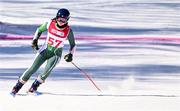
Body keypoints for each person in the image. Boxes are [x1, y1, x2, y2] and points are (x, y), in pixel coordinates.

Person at [10, 8, 76, 96]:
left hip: (56, 54)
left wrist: (71, 54)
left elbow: (73, 45)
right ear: (56, 18)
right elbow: (39, 30)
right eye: (60, 19)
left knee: (46, 71)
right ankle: (17, 87)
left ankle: (34, 87)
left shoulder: (68, 31)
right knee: (32, 69)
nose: (61, 22)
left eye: (64, 20)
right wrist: (35, 40)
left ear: (67, 20)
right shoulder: (50, 23)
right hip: (44, 50)